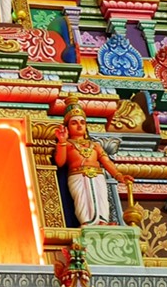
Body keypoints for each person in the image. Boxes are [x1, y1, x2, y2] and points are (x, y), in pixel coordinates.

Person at [54, 94, 133, 225]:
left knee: (101, 197)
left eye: (82, 122)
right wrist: (62, 141)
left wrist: (119, 175)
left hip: (98, 176)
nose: (79, 126)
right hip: (78, 176)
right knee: (83, 199)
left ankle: (102, 221)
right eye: (74, 123)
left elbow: (106, 162)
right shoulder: (67, 144)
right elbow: (60, 162)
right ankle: (87, 221)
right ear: (67, 127)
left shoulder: (95, 145)